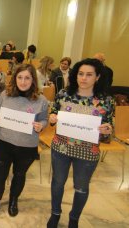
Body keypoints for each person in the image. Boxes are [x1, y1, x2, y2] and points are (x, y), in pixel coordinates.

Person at [46, 58, 114, 228]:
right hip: (61, 147)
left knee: (81, 187)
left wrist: (107, 130)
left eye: (89, 75)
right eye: (81, 74)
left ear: (97, 77)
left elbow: (108, 128)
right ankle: (55, 213)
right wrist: (52, 118)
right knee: (57, 182)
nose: (83, 78)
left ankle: (74, 218)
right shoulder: (64, 94)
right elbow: (53, 115)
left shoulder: (106, 101)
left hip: (87, 151)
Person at [0, 64, 48, 220]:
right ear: (14, 78)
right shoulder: (5, 94)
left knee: (19, 174)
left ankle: (13, 201)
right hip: (4, 143)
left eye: (27, 78)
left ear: (33, 80)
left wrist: (41, 125)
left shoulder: (41, 100)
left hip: (27, 146)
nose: (23, 82)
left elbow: (44, 119)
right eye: (20, 77)